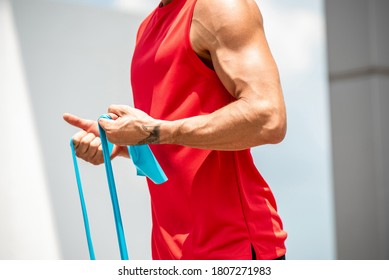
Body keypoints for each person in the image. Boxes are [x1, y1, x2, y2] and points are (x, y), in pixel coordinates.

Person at [64, 0, 287, 260]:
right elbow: (168, 136)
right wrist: (124, 145)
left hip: (232, 247)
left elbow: (268, 119)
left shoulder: (220, 6)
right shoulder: (146, 28)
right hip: (169, 253)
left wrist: (154, 131)